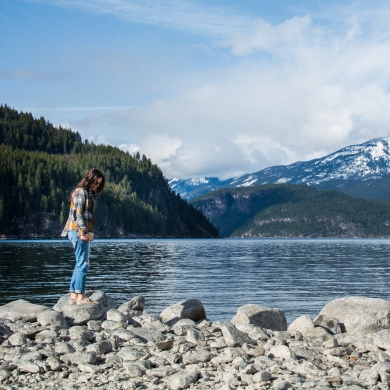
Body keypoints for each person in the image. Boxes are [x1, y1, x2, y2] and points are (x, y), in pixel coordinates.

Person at [61, 168, 105, 305]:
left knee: (80, 262)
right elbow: (77, 214)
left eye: (99, 184)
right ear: (89, 179)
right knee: (83, 263)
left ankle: (74, 294)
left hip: (76, 231)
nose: (97, 186)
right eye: (96, 182)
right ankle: (81, 296)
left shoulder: (87, 193)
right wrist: (84, 232)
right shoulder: (81, 192)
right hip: (78, 231)